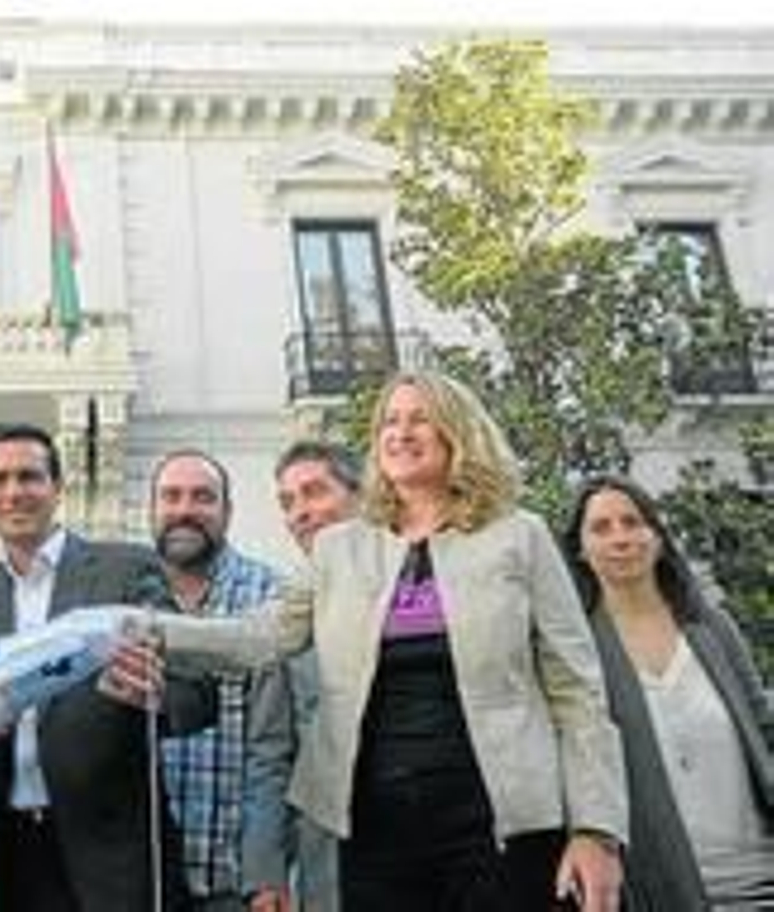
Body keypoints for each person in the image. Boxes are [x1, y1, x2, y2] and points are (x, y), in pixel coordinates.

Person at [279, 371, 627, 911]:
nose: (401, 432)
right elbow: (261, 633)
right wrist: (140, 629)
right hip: (375, 831)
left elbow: (578, 692)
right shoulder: (339, 548)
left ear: (457, 432)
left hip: (503, 826)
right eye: (389, 422)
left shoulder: (520, 535)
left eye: (419, 418)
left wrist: (596, 831)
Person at [0, 421, 213, 912]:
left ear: (57, 487)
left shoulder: (127, 570)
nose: (14, 492)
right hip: (1, 853)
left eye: (29, 477)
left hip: (109, 857)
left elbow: (197, 690)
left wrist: (153, 693)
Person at [561, 473, 774, 909]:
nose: (621, 537)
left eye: (632, 522)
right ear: (580, 550)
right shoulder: (574, 650)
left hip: (761, 876)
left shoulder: (713, 629)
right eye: (601, 528)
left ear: (656, 536)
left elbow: (765, 729)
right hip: (664, 891)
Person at [152, 449, 293, 912]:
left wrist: (266, 872)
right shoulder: (125, 595)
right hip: (143, 878)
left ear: (227, 512)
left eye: (202, 497)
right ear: (151, 510)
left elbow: (272, 750)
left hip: (232, 878)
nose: (184, 510)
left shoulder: (271, 599)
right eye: (170, 497)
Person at [272, 439, 361, 912]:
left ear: (360, 496)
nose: (300, 512)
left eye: (314, 492)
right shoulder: (289, 611)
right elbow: (273, 754)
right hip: (330, 865)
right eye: (288, 502)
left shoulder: (422, 588)